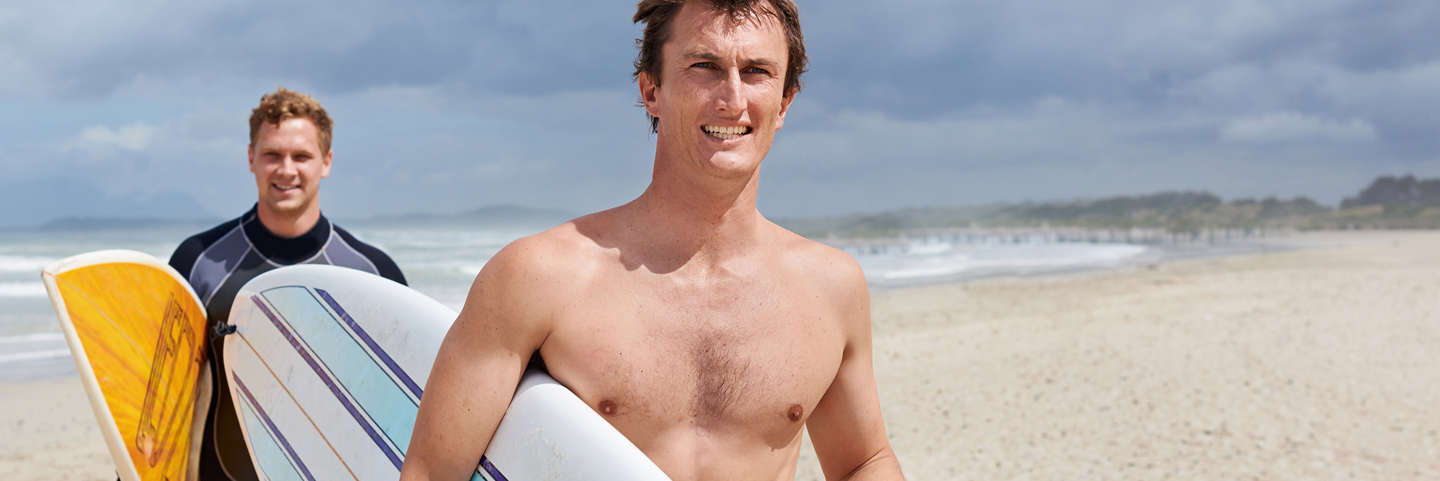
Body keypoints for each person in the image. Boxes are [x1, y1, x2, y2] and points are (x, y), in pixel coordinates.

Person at [401, 1, 902, 480]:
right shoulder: (539, 277)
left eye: (756, 72)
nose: (732, 99)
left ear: (785, 102)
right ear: (651, 91)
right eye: (704, 66)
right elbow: (430, 472)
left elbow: (861, 462)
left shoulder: (830, 288)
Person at [169, 87, 407, 481]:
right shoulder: (198, 262)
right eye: (272, 154)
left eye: (301, 156)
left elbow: (404, 403)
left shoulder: (374, 273)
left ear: (326, 162)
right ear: (251, 158)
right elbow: (160, 394)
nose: (286, 170)